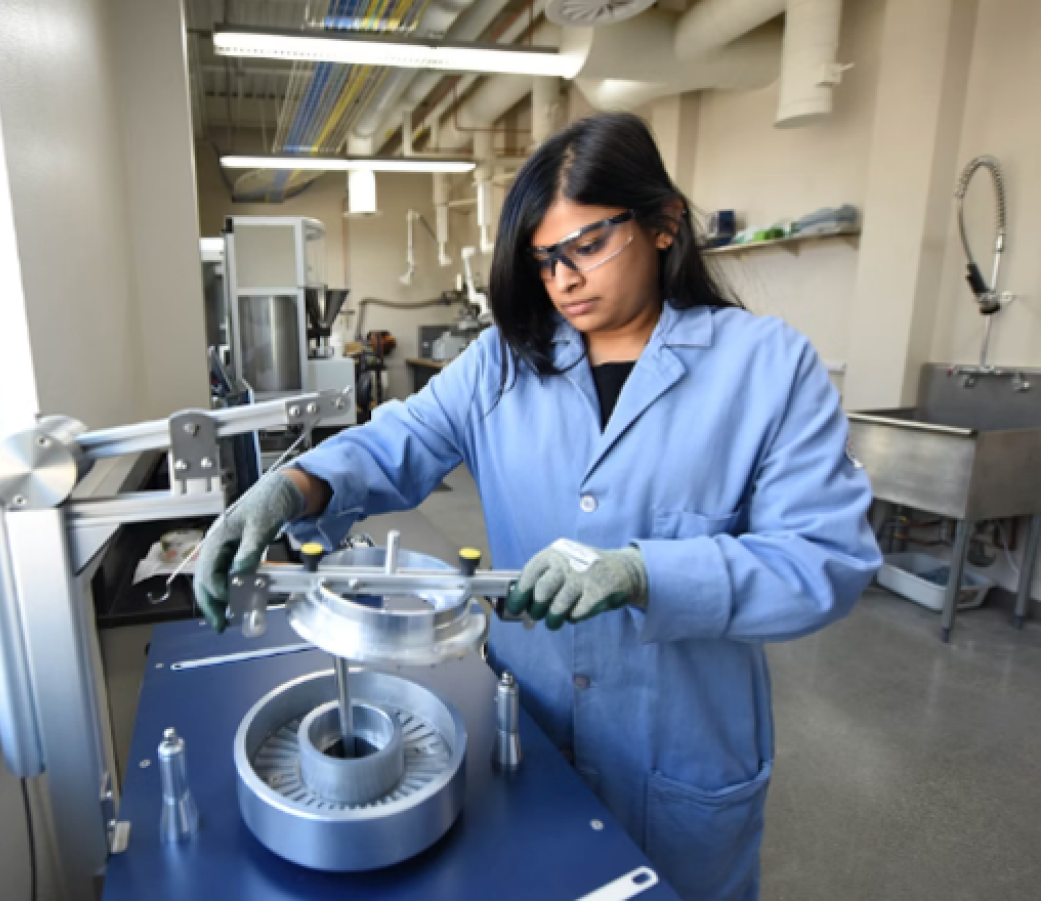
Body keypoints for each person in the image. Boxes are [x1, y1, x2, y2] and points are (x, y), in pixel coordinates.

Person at [194, 112, 881, 901]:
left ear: (663, 224)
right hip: (530, 728)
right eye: (544, 258)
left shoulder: (768, 368)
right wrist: (292, 487)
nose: (563, 280)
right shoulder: (503, 363)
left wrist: (644, 571)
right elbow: (393, 443)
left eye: (588, 246)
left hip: (685, 752)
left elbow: (824, 558)